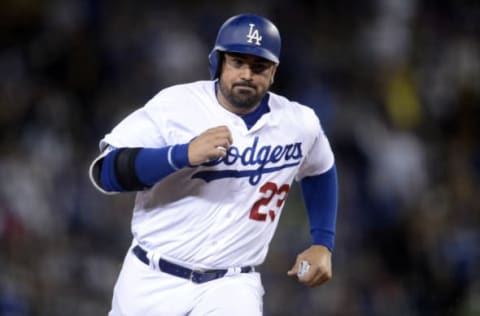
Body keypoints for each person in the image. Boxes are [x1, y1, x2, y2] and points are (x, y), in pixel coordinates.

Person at [89, 13, 338, 316]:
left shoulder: (299, 122)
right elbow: (107, 172)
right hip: (152, 278)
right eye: (237, 62)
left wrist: (323, 242)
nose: (247, 74)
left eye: (259, 67)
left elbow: (321, 169)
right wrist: (180, 155)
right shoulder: (175, 105)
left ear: (273, 73)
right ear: (218, 63)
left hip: (232, 286)